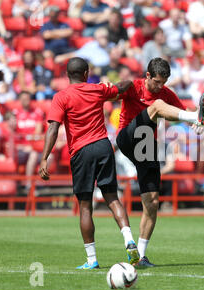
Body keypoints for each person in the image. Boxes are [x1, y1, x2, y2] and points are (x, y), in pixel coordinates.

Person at [38, 57, 140, 270]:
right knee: (113, 198)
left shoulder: (61, 97)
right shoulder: (97, 89)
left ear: (68, 75)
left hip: (82, 152)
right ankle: (129, 239)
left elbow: (53, 128)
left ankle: (92, 259)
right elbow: (121, 87)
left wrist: (44, 157)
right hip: (104, 146)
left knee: (85, 206)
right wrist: (130, 82)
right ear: (86, 74)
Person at [114, 57, 204, 267]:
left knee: (153, 201)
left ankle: (140, 256)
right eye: (157, 82)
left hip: (146, 145)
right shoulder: (134, 87)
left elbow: (179, 114)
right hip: (127, 137)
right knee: (158, 106)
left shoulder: (166, 93)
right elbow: (111, 95)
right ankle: (195, 116)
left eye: (163, 83)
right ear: (147, 76)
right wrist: (195, 117)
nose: (160, 87)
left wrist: (196, 126)